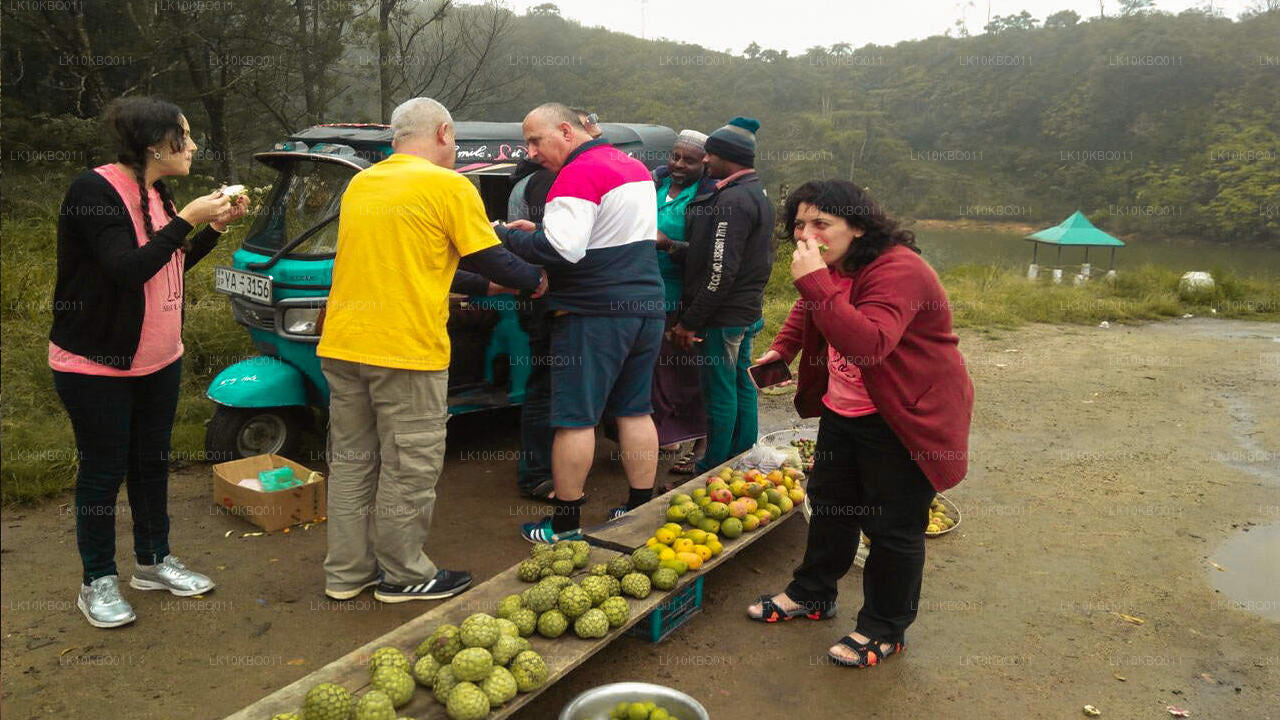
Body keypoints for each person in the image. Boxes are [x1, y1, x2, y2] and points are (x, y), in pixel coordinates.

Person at [317, 97, 545, 602]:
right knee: (409, 465)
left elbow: (421, 262)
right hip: (405, 351)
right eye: (456, 140)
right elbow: (493, 259)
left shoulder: (362, 183)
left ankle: (347, 575)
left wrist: (493, 289)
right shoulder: (448, 184)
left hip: (343, 343)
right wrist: (537, 282)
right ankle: (403, 576)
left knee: (354, 461)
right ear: (444, 133)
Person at [746, 180, 974, 668]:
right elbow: (809, 308)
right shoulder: (834, 267)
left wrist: (812, 281)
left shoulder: (898, 270)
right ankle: (812, 593)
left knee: (892, 527)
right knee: (829, 505)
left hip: (905, 415)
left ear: (859, 225)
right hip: (844, 409)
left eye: (821, 224)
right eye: (800, 225)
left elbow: (868, 344)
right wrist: (784, 348)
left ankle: (884, 629)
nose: (808, 235)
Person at [50, 96, 247, 628]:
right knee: (103, 471)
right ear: (158, 144)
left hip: (160, 358)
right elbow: (125, 269)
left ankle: (153, 560)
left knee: (151, 463)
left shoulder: (158, 190)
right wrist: (186, 219)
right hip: (97, 363)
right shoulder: (93, 191)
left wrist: (212, 229)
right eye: (186, 135)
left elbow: (169, 262)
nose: (194, 145)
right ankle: (97, 580)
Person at [496, 102, 665, 542]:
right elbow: (606, 234)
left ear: (566, 131)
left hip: (593, 313)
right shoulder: (633, 168)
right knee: (634, 409)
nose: (531, 152)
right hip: (644, 307)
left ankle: (565, 525)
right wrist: (536, 232)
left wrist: (503, 235)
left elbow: (561, 252)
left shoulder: (575, 174)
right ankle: (639, 510)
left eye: (536, 139)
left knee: (575, 418)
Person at [508, 107, 604, 501]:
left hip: (539, 299)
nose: (533, 152)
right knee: (553, 392)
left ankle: (545, 470)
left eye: (535, 143)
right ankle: (541, 475)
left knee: (545, 387)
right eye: (530, 144)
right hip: (553, 301)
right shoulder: (565, 180)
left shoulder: (523, 187)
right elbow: (566, 248)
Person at [669, 116, 774, 474]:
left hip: (723, 315)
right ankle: (741, 455)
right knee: (741, 383)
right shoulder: (755, 191)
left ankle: (713, 465)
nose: (706, 161)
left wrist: (689, 321)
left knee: (720, 391)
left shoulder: (731, 200)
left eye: (710, 154)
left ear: (727, 156)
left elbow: (720, 271)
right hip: (744, 311)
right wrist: (674, 247)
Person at [651, 130, 714, 477]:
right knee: (658, 371)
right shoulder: (654, 185)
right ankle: (667, 435)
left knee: (689, 373)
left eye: (688, 160)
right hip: (647, 294)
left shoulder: (705, 197)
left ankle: (702, 446)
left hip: (682, 297)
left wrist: (668, 244)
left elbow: (707, 256)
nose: (677, 164)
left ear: (704, 163)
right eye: (675, 156)